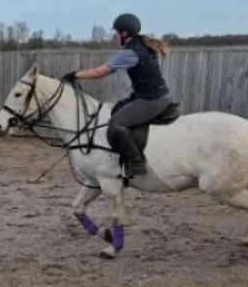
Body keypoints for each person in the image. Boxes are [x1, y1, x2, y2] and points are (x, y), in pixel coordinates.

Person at [64, 13, 173, 178]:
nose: (114, 36)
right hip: (149, 95)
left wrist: (75, 75)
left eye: (116, 32)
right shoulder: (142, 47)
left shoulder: (130, 53)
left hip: (152, 99)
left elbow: (99, 72)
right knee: (114, 110)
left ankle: (137, 162)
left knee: (116, 125)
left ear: (124, 33)